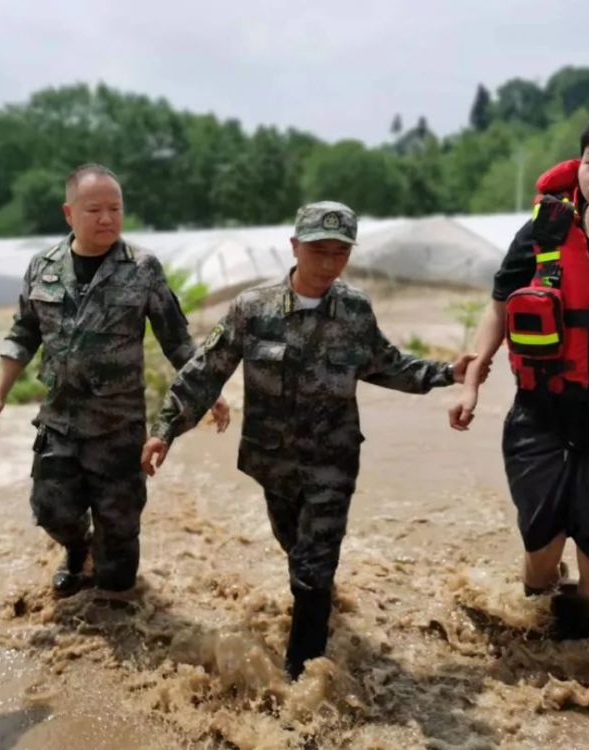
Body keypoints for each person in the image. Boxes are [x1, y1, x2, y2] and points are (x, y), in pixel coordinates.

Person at [143, 201, 476, 679]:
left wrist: (447, 373)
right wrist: (164, 431)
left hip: (332, 461)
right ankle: (315, 601)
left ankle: (305, 677)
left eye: (340, 252)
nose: (328, 262)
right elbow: (205, 371)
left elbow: (387, 364)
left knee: (315, 566)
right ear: (295, 247)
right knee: (293, 545)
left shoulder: (355, 310)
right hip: (272, 462)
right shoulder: (252, 309)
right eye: (318, 249)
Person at [0, 163, 228, 597]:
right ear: (69, 213)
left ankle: (111, 582)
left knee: (119, 563)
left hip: (118, 429)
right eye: (95, 209)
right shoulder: (44, 267)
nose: (108, 218)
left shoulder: (142, 268)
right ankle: (78, 550)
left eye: (116, 208)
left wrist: (210, 391)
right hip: (60, 425)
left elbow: (177, 340)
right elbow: (23, 332)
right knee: (51, 511)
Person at [450, 108, 589, 640]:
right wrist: (473, 378)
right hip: (543, 409)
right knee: (541, 545)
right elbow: (500, 305)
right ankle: (536, 641)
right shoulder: (544, 229)